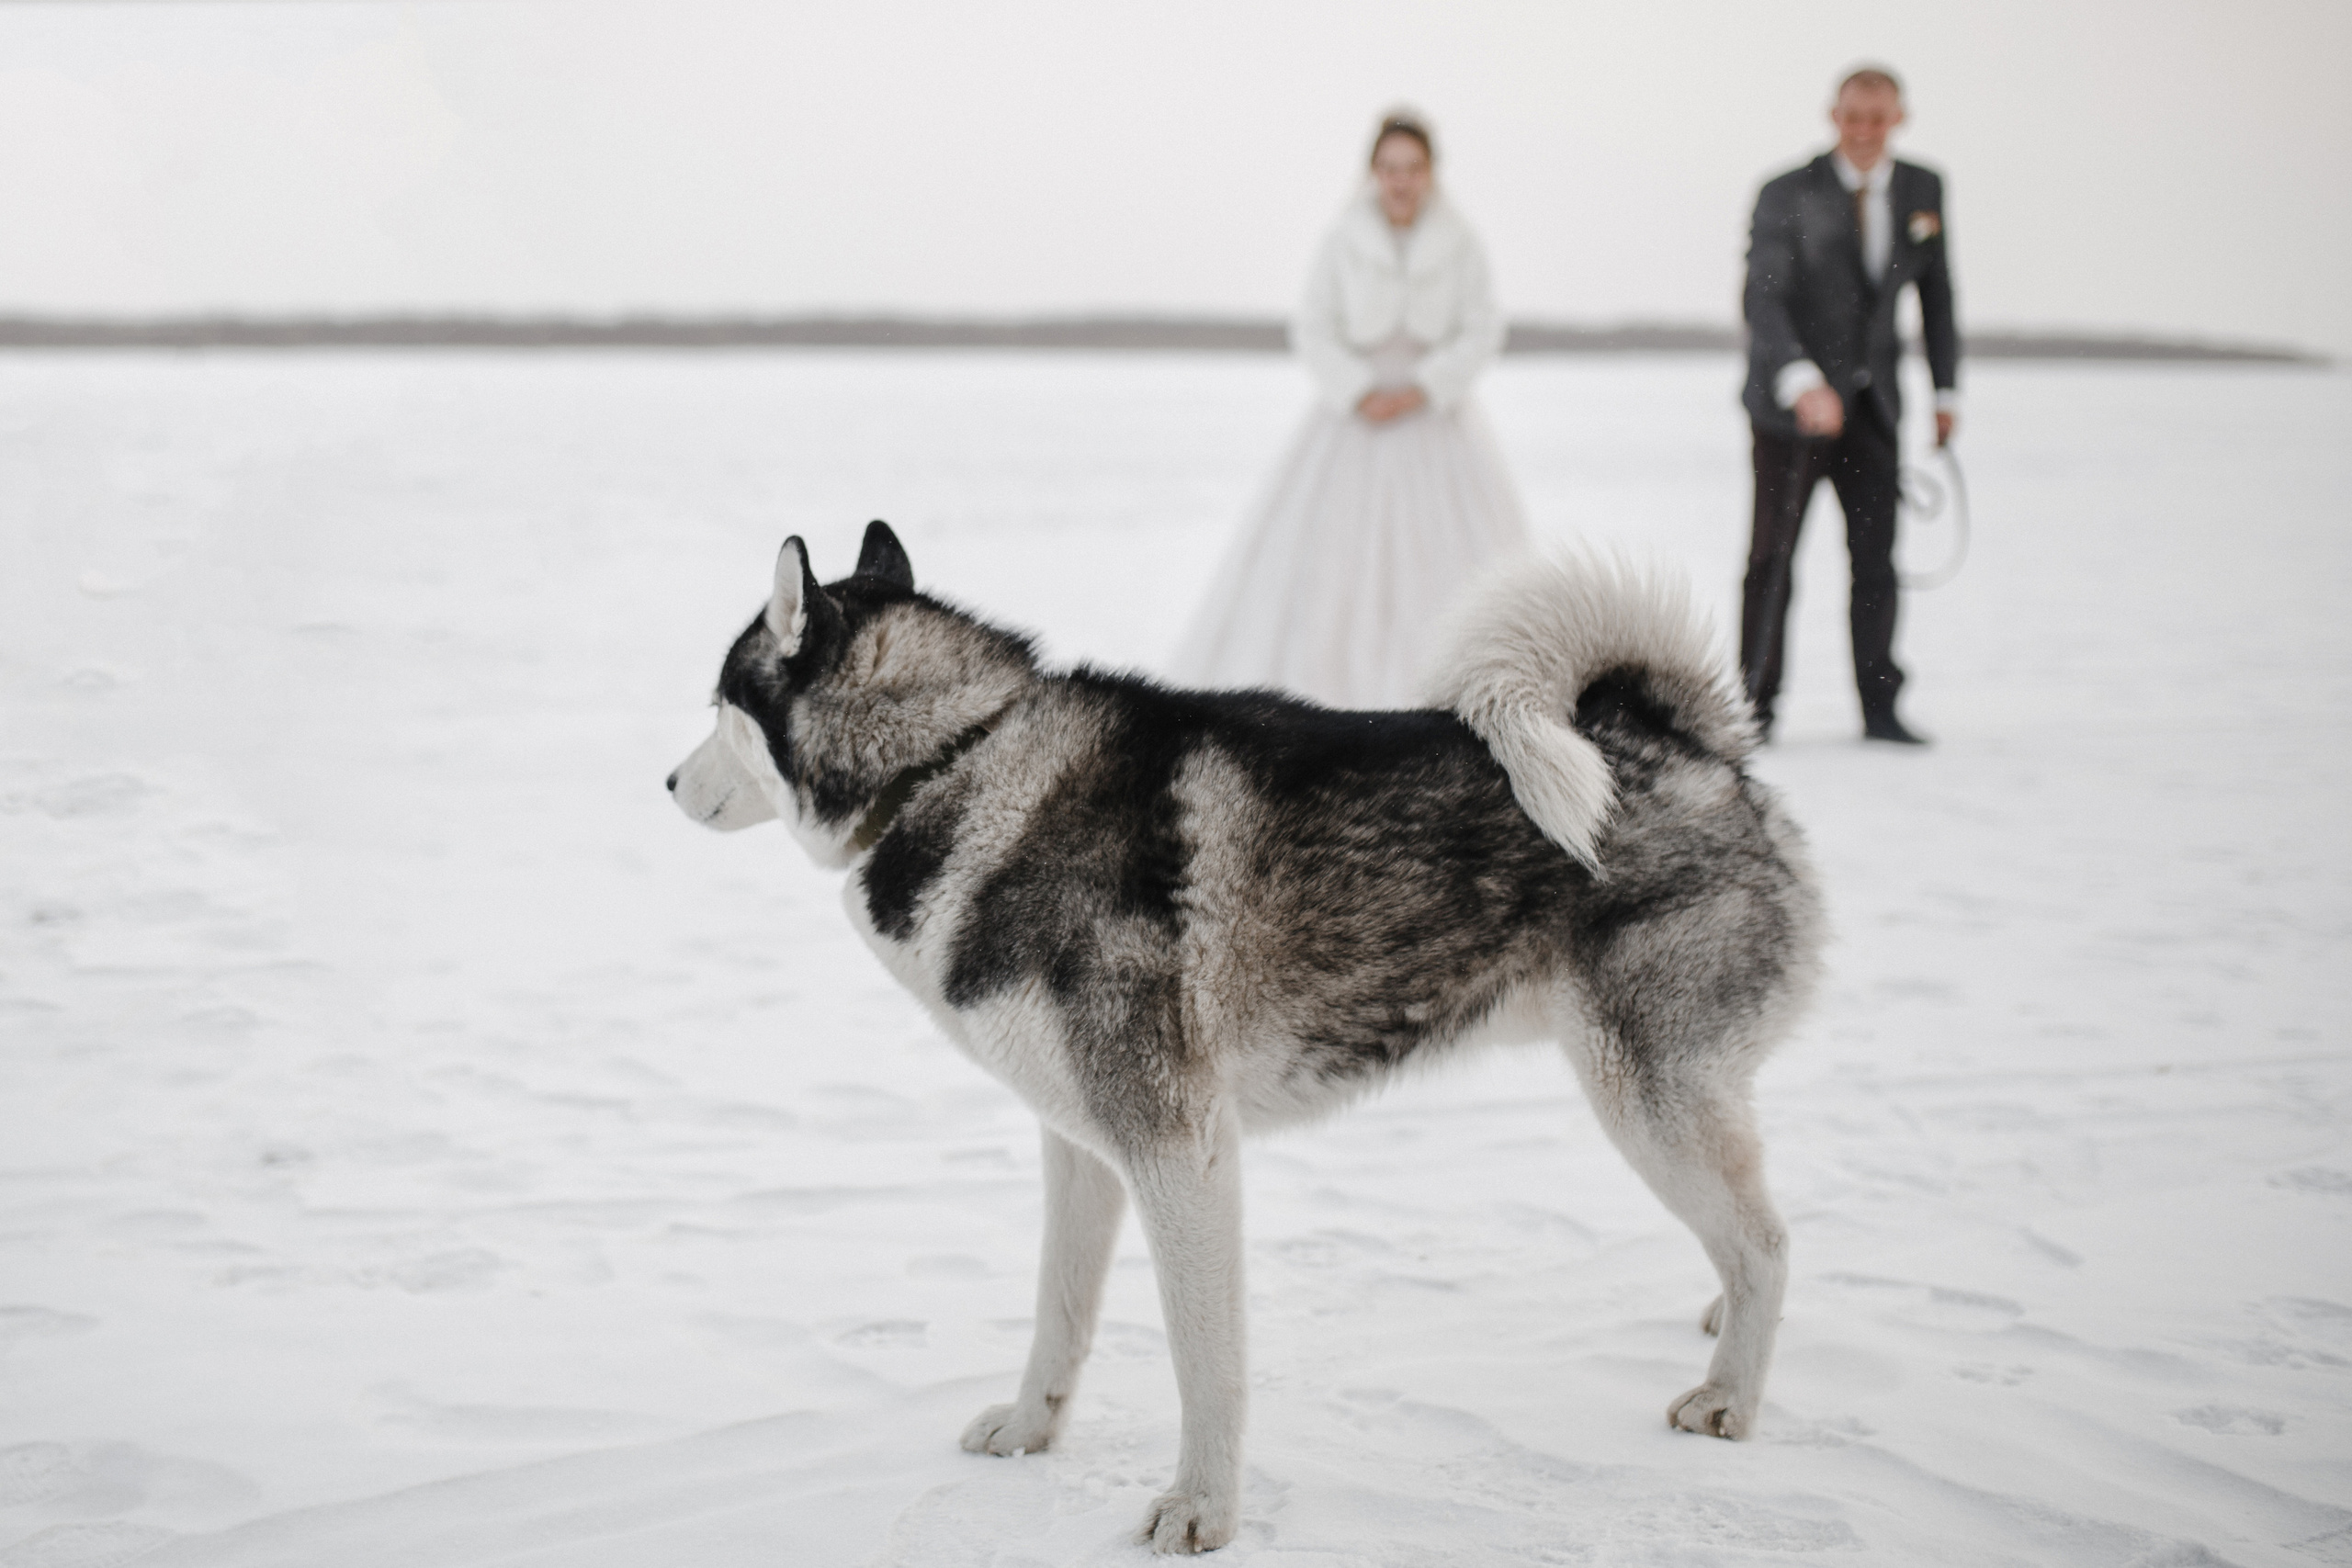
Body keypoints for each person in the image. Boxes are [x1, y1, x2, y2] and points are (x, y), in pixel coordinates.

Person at [1169, 112, 1531, 709]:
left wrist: (1424, 388)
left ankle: (1455, 695)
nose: (1400, 181)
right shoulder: (1342, 239)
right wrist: (1360, 390)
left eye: (1412, 168)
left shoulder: (1460, 241)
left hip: (1436, 423)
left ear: (1430, 173)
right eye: (1389, 168)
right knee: (1330, 570)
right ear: (1373, 172)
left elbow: (1482, 327)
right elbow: (1314, 327)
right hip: (1353, 423)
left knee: (1450, 564)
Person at [1739, 65, 1959, 745]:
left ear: (1899, 120)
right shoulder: (1785, 191)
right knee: (1772, 560)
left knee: (1876, 560)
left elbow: (1937, 296)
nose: (1864, 131)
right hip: (1789, 413)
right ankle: (1753, 709)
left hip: (1876, 407)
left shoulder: (1923, 189)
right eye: (1852, 117)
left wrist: (1946, 390)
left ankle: (1880, 705)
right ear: (1833, 116)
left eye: (1877, 118)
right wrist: (1802, 380)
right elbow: (1763, 297)